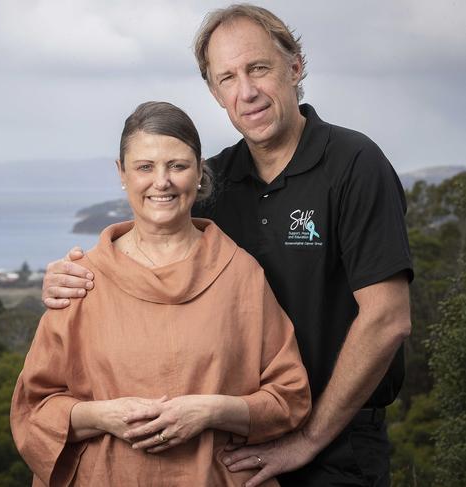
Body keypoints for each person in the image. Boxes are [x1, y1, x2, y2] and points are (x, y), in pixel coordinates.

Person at [41, 5, 413, 487]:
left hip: (338, 442)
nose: (247, 91)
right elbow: (148, 247)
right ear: (214, 92)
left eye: (258, 68)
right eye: (228, 78)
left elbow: (387, 319)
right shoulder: (214, 182)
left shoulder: (353, 163)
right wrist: (72, 277)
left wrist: (307, 439)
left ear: (295, 66)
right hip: (240, 445)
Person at [11, 101, 311, 486]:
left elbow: (289, 399)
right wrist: (104, 416)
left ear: (200, 173)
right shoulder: (81, 280)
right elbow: (35, 408)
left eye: (178, 166)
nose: (162, 181)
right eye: (145, 167)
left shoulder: (240, 274)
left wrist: (210, 411)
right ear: (121, 173)